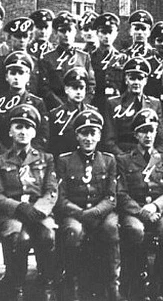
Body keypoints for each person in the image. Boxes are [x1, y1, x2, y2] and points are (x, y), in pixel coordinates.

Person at [0, 104, 59, 301]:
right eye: (18, 127)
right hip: (11, 213)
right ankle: (16, 285)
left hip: (38, 212)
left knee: (47, 235)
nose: (23, 132)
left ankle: (47, 284)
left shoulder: (47, 158)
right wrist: (19, 207)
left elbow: (51, 191)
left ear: (34, 132)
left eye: (28, 127)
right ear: (10, 131)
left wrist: (38, 210)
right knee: (19, 238)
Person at [55, 109, 120, 301]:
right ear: (77, 135)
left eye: (93, 133)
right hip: (75, 213)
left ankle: (113, 284)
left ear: (99, 135)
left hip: (101, 212)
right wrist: (80, 213)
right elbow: (61, 197)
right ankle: (73, 284)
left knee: (111, 227)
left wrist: (95, 212)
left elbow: (111, 197)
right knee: (73, 231)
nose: (88, 138)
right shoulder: (64, 160)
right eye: (84, 133)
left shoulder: (108, 160)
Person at [116, 109, 163, 301]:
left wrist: (155, 207)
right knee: (135, 230)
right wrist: (141, 211)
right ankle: (140, 277)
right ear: (136, 135)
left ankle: (159, 278)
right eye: (143, 131)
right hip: (134, 211)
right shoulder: (124, 160)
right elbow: (121, 193)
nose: (148, 135)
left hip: (158, 209)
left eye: (152, 130)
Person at [0, 51, 49, 157]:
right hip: (3, 158)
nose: (16, 77)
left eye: (21, 73)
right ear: (6, 77)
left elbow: (43, 134)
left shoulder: (37, 103)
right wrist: (6, 155)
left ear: (28, 77)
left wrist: (30, 155)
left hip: (31, 158)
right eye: (13, 73)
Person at [103, 57, 163, 156]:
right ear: (126, 80)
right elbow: (108, 141)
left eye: (140, 78)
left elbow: (162, 141)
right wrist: (124, 158)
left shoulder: (154, 104)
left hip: (149, 156)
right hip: (123, 156)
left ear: (146, 81)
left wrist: (154, 156)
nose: (136, 82)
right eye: (132, 78)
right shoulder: (113, 103)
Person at [39, 13, 95, 110]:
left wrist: (82, 105)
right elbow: (45, 88)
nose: (66, 34)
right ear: (56, 33)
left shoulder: (84, 57)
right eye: (62, 31)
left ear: (75, 32)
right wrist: (62, 107)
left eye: (70, 30)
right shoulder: (47, 58)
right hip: (56, 108)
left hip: (80, 108)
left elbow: (91, 86)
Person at [48, 69, 98, 156]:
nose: (78, 92)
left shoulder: (93, 113)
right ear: (66, 89)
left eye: (81, 88)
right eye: (75, 88)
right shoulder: (56, 115)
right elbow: (53, 146)